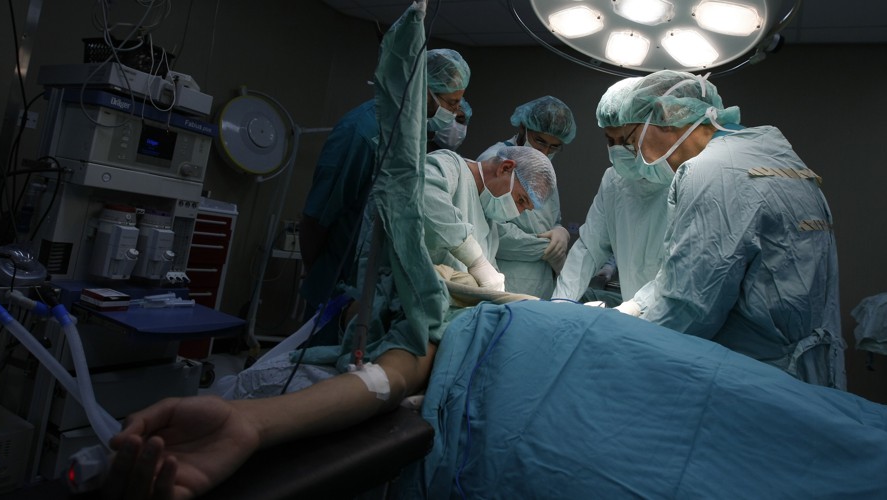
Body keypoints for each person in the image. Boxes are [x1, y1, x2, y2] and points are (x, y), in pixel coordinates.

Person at [104, 146, 556, 498]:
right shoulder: (445, 169)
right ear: (505, 168)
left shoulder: (489, 219)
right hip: (402, 315)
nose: (514, 211)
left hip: (435, 323)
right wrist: (479, 268)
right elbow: (420, 203)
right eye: (518, 199)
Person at [602, 70, 845, 389]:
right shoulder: (774, 154)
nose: (638, 158)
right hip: (813, 370)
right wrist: (635, 307)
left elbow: (690, 307)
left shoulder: (711, 171)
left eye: (633, 140)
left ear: (663, 115)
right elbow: (695, 267)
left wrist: (614, 342)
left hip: (763, 381)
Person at [298, 48, 471, 333]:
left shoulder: (413, 134)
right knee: (317, 365)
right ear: (423, 90)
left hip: (373, 283)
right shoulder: (362, 133)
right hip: (339, 282)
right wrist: (317, 272)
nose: (454, 113)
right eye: (452, 103)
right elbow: (316, 218)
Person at [552, 77, 671, 307]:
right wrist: (561, 302)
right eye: (609, 140)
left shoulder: (684, 180)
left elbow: (682, 270)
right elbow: (589, 247)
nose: (617, 150)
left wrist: (634, 310)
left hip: (674, 319)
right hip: (633, 312)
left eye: (626, 141)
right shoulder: (614, 181)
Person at [476, 96, 576, 299]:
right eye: (540, 141)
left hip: (541, 284)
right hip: (506, 280)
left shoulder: (541, 166)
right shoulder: (495, 160)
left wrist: (559, 230)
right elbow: (492, 231)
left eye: (554, 147)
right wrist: (547, 249)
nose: (545, 151)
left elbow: (549, 219)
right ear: (523, 128)